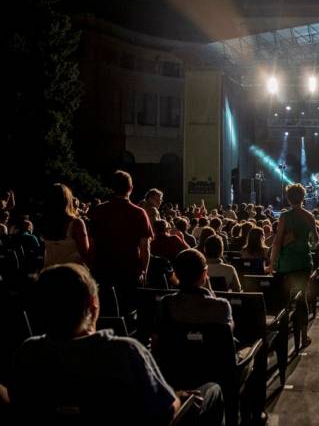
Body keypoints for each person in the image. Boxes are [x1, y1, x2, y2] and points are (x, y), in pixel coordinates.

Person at [8, 263, 224, 426]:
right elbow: (166, 412)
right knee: (212, 390)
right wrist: (177, 396)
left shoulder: (28, 351)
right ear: (94, 305)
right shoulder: (126, 351)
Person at [89, 170, 153, 305]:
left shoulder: (98, 211)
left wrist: (92, 267)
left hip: (103, 269)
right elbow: (144, 246)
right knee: (129, 309)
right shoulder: (139, 213)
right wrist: (144, 270)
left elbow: (92, 243)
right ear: (130, 188)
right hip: (129, 270)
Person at [269, 184, 316, 349]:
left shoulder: (284, 216)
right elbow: (315, 241)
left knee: (284, 298)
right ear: (303, 198)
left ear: (288, 198)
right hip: (303, 262)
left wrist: (271, 263)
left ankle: (281, 333)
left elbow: (276, 242)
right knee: (302, 298)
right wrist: (304, 242)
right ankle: (303, 336)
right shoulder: (310, 216)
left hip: (286, 263)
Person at [42, 183, 90, 267]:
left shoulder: (44, 222)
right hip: (71, 272)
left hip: (49, 271)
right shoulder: (76, 223)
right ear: (67, 200)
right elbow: (85, 252)